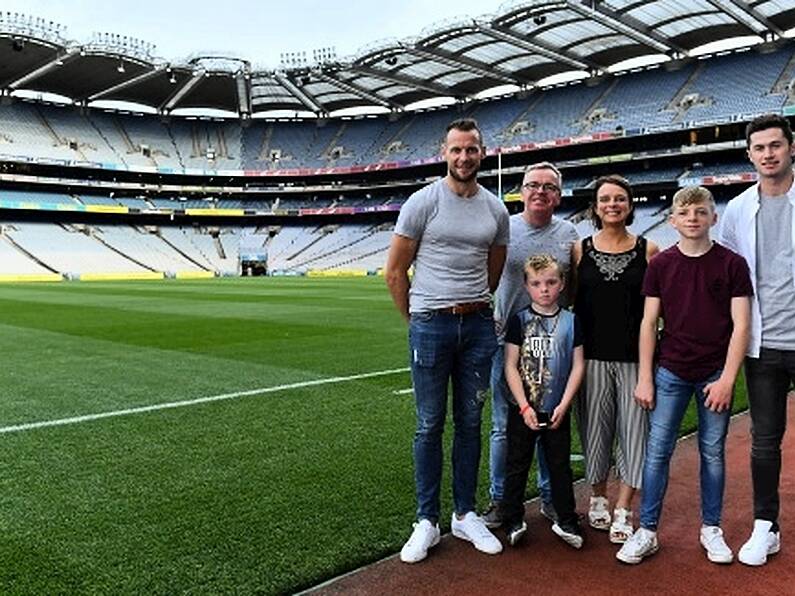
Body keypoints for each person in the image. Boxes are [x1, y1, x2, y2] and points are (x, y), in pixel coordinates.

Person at [385, 117, 510, 564]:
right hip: (431, 324)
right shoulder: (422, 202)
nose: (464, 157)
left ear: (482, 152)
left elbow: (493, 270)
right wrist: (417, 319)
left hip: (476, 324)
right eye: (456, 150)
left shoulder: (495, 210)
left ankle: (464, 513)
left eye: (471, 149)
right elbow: (395, 272)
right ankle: (426, 520)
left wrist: (473, 304)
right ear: (445, 152)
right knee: (429, 424)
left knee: (471, 423)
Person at [616, 186, 752, 565]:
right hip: (671, 370)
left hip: (713, 374)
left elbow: (741, 326)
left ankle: (711, 528)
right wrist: (646, 376)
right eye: (685, 212)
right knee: (658, 452)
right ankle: (647, 529)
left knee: (712, 453)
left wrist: (727, 379)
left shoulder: (732, 264)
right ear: (672, 220)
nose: (693, 218)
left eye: (701, 211)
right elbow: (648, 322)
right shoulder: (661, 265)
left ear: (713, 217)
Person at [483, 162, 578, 529]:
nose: (540, 191)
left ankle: (552, 499)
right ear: (521, 191)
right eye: (532, 185)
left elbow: (575, 290)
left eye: (548, 187)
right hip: (507, 346)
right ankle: (501, 500)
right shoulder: (503, 228)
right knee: (504, 427)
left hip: (554, 346)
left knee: (550, 425)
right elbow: (482, 272)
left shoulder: (569, 233)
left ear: (558, 195)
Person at [719, 113, 795, 567]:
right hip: (764, 346)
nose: (768, 154)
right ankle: (766, 525)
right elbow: (731, 279)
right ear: (750, 155)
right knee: (765, 441)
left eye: (775, 145)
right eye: (760, 148)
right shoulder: (739, 208)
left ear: (791, 147)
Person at [573, 174, 659, 543]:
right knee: (594, 434)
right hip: (589, 358)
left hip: (634, 360)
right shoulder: (579, 249)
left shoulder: (649, 250)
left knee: (634, 435)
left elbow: (654, 314)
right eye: (605, 199)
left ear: (630, 204)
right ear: (595, 206)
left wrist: (648, 372)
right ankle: (597, 498)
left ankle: (624, 507)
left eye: (620, 199)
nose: (612, 205)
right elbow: (569, 305)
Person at [501, 254, 586, 549]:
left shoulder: (572, 321)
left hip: (556, 409)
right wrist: (523, 406)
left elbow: (578, 365)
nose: (545, 289)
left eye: (551, 282)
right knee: (517, 464)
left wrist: (565, 403)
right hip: (523, 410)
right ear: (526, 286)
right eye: (537, 284)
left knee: (559, 466)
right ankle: (512, 517)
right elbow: (510, 365)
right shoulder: (519, 320)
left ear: (562, 284)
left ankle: (566, 518)